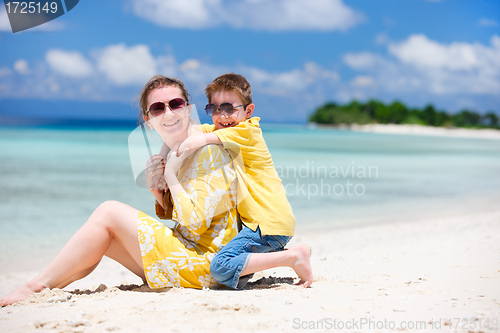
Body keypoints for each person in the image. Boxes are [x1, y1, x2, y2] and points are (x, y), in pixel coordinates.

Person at [0, 75, 239, 307]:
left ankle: (35, 287)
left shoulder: (208, 150)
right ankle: (44, 287)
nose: (168, 113)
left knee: (108, 212)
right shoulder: (176, 151)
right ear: (148, 120)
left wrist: (170, 177)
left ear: (187, 108)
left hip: (210, 267)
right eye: (157, 108)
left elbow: (195, 225)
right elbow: (189, 219)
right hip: (192, 258)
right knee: (101, 240)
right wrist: (157, 192)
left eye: (175, 104)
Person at [177, 73, 313, 289]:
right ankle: (290, 255)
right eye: (214, 109)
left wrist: (178, 153)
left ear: (248, 111)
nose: (222, 116)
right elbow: (193, 130)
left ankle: (293, 257)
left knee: (221, 266)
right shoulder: (227, 129)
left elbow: (198, 138)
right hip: (268, 224)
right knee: (237, 274)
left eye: (230, 108)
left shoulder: (247, 131)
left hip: (266, 224)